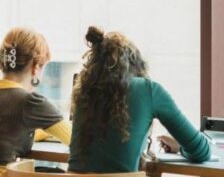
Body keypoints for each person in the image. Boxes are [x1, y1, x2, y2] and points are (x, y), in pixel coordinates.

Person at [68, 26, 211, 173]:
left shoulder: (84, 92)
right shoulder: (148, 90)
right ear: (137, 65)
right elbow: (202, 151)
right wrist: (181, 147)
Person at [0, 27, 72, 176]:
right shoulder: (30, 101)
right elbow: (77, 140)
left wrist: (41, 133)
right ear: (36, 67)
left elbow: (2, 132)